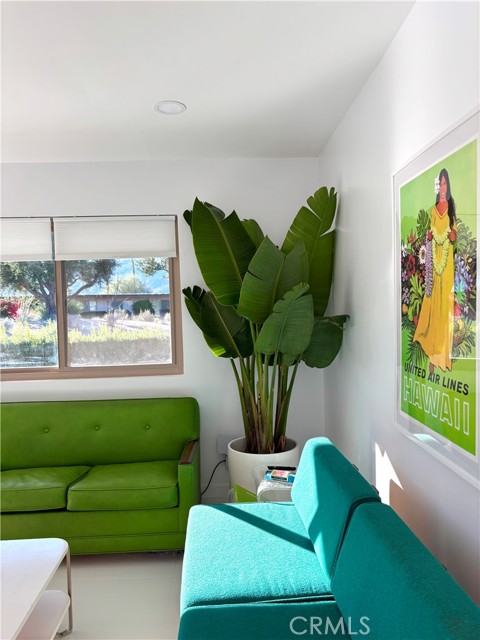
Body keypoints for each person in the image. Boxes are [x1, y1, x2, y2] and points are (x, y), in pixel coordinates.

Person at [414, 168, 457, 373]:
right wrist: (429, 237)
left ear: (448, 186)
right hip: (434, 263)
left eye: (445, 183)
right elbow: (430, 234)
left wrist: (452, 236)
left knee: (444, 306)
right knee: (433, 305)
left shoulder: (451, 207)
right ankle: (432, 354)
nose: (442, 187)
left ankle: (442, 358)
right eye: (440, 183)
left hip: (446, 264)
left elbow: (453, 234)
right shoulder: (433, 210)